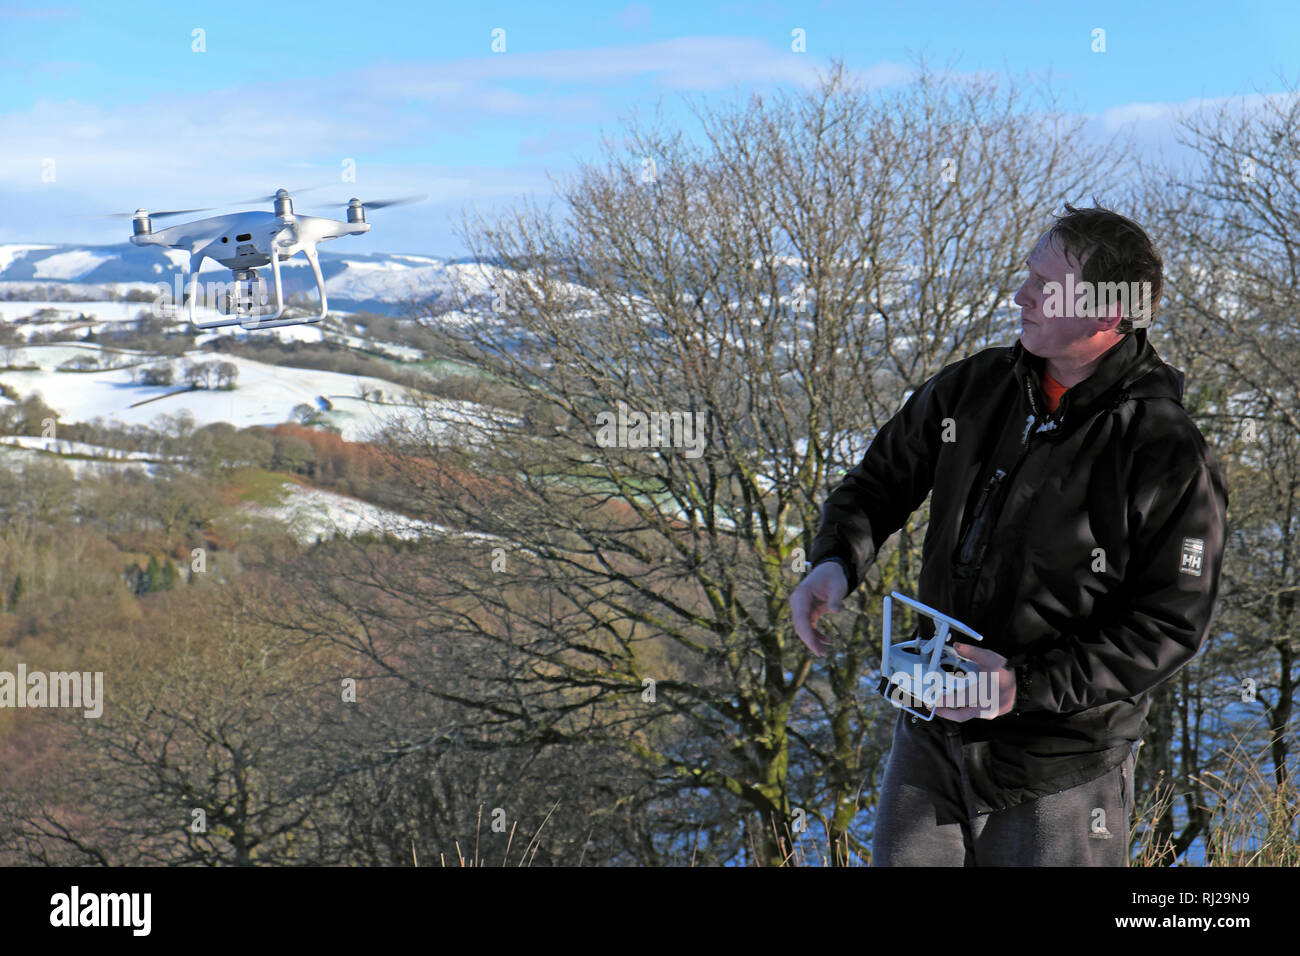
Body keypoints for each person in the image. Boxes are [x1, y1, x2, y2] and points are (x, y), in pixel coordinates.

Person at [790, 203, 1228, 866]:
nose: (1020, 294)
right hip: (932, 732)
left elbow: (1171, 625)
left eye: (1044, 286)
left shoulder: (1163, 449)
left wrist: (1022, 687)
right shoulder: (980, 387)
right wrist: (835, 563)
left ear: (1107, 313)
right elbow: (881, 479)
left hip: (1063, 767)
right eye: (1027, 275)